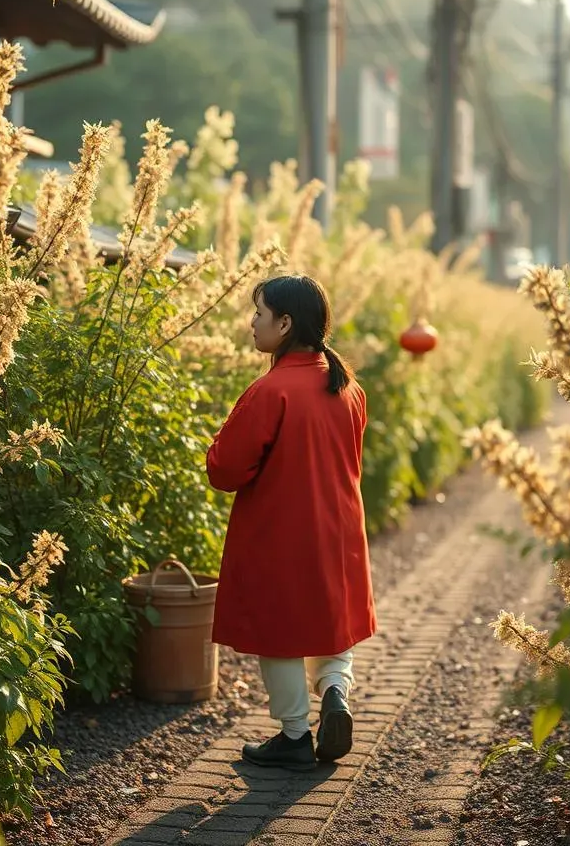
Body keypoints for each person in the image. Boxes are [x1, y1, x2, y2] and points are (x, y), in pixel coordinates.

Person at [206, 274, 376, 771]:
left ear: (285, 323)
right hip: (340, 525)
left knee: (277, 630)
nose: (251, 322)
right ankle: (336, 690)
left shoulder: (271, 390)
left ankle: (296, 735)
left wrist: (215, 447)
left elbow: (226, 470)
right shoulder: (347, 388)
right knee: (331, 619)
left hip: (281, 529)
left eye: (259, 313)